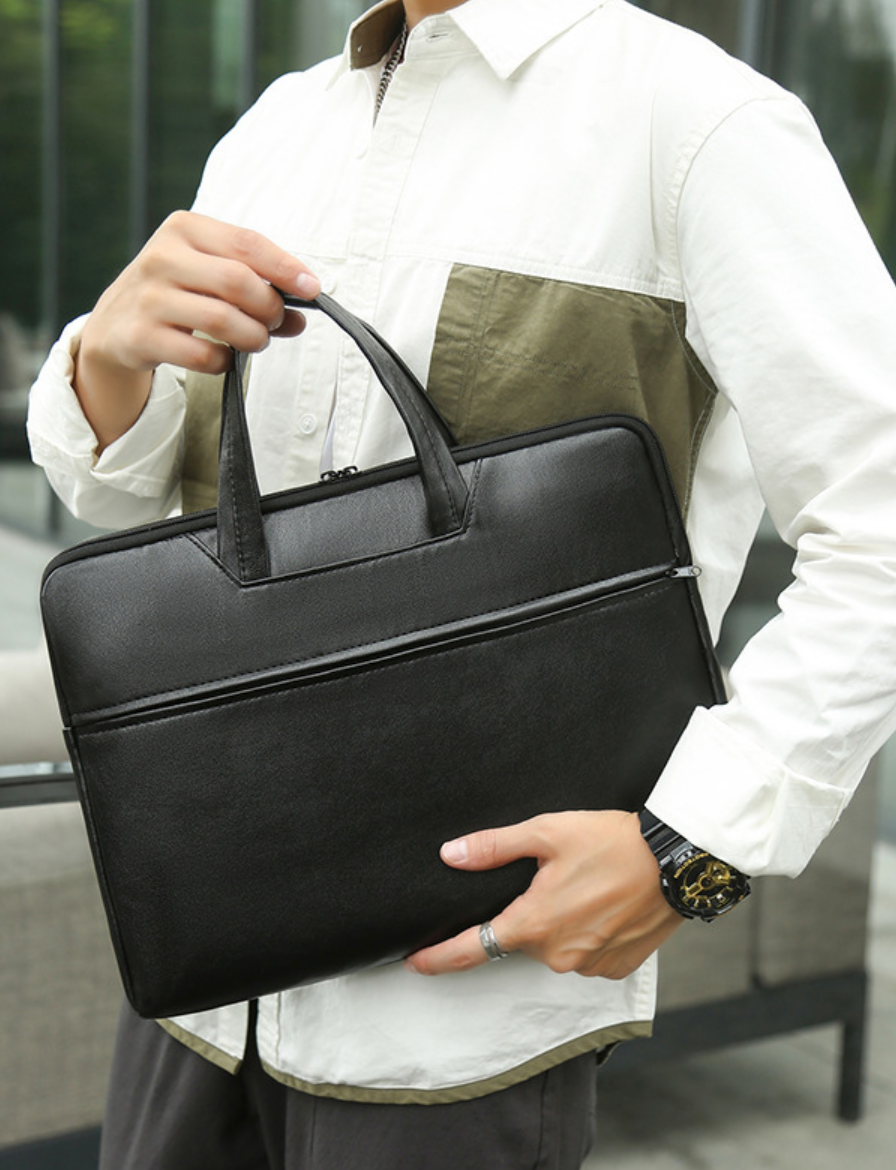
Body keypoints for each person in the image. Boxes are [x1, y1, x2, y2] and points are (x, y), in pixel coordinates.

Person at [27, 0, 896, 1166]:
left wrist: (688, 850)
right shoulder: (279, 126)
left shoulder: (694, 124)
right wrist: (109, 353)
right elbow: (134, 502)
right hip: (199, 981)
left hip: (458, 1014)